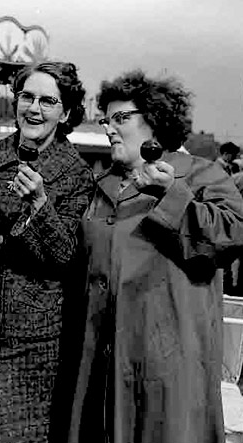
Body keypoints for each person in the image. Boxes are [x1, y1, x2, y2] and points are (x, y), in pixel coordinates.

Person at [67, 69, 243, 443]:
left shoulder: (199, 174)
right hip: (104, 365)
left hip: (170, 363)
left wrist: (172, 193)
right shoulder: (100, 189)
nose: (109, 129)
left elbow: (232, 234)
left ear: (155, 121)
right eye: (105, 120)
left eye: (121, 119)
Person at [0, 61, 94, 443]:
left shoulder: (76, 175)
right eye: (26, 97)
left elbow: (66, 258)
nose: (34, 108)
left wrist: (40, 206)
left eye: (48, 101)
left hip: (34, 348)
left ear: (65, 113)